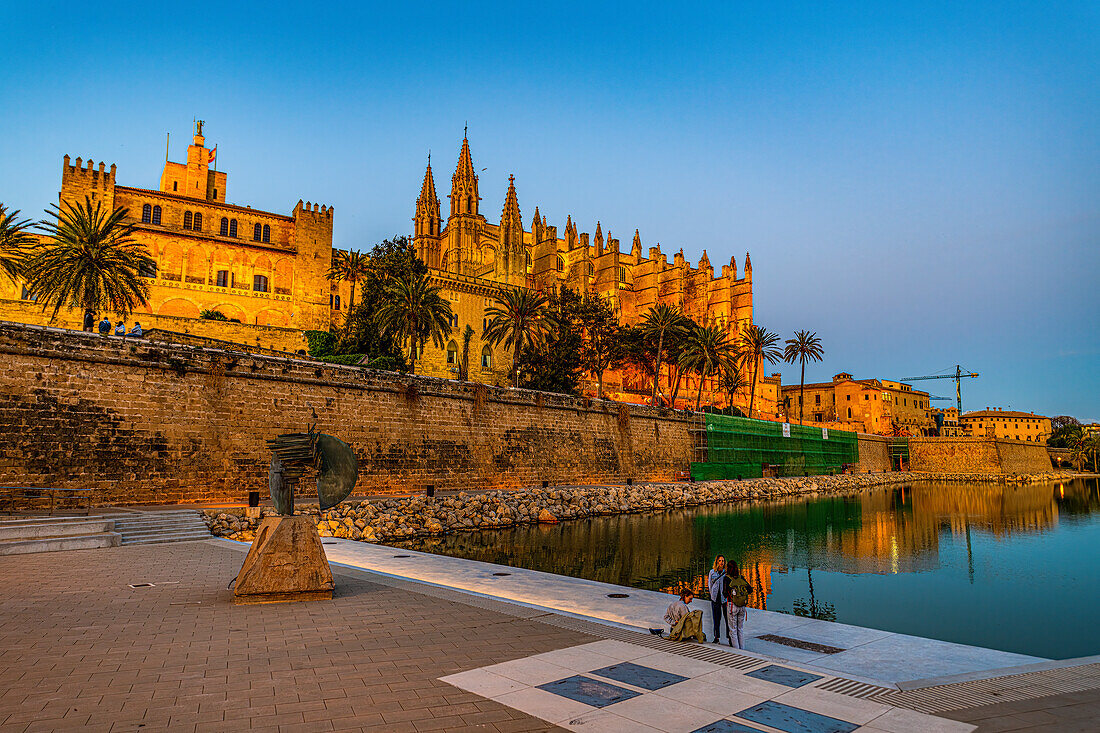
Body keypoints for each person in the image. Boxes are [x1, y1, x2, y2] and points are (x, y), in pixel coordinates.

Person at [724, 561, 752, 649]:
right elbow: (750, 589)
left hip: (732, 605)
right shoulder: (741, 578)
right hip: (742, 607)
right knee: (740, 629)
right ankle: (742, 649)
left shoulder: (727, 578)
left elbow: (724, 593)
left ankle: (737, 651)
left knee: (733, 630)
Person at [708, 555, 728, 644]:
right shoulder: (712, 572)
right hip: (715, 598)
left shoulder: (726, 572)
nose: (721, 562)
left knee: (728, 619)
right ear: (716, 562)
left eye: (723, 561)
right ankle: (716, 637)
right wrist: (712, 594)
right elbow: (710, 585)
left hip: (724, 599)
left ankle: (729, 637)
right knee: (716, 619)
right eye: (720, 561)